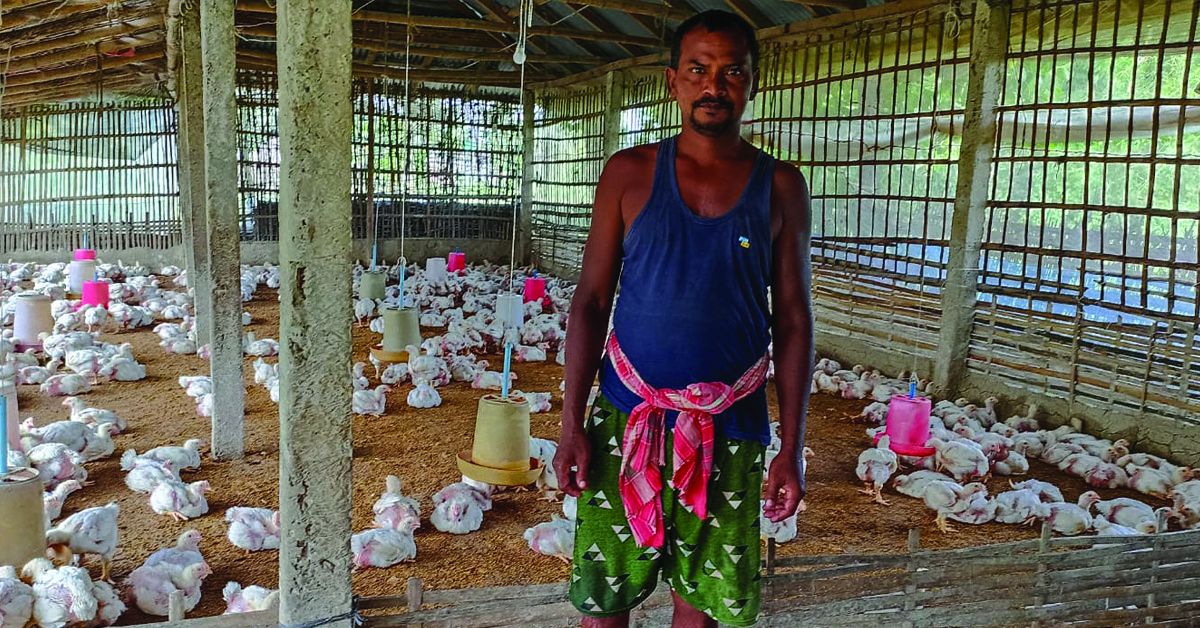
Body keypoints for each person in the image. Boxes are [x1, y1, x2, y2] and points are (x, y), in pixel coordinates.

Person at [553, 9, 815, 628]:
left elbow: (795, 320)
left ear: (752, 83)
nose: (713, 86)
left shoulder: (780, 187)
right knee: (603, 597)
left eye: (730, 73)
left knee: (700, 605)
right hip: (625, 417)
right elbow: (589, 302)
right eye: (698, 70)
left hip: (730, 425)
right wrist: (570, 422)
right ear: (673, 81)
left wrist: (793, 447)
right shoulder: (629, 174)